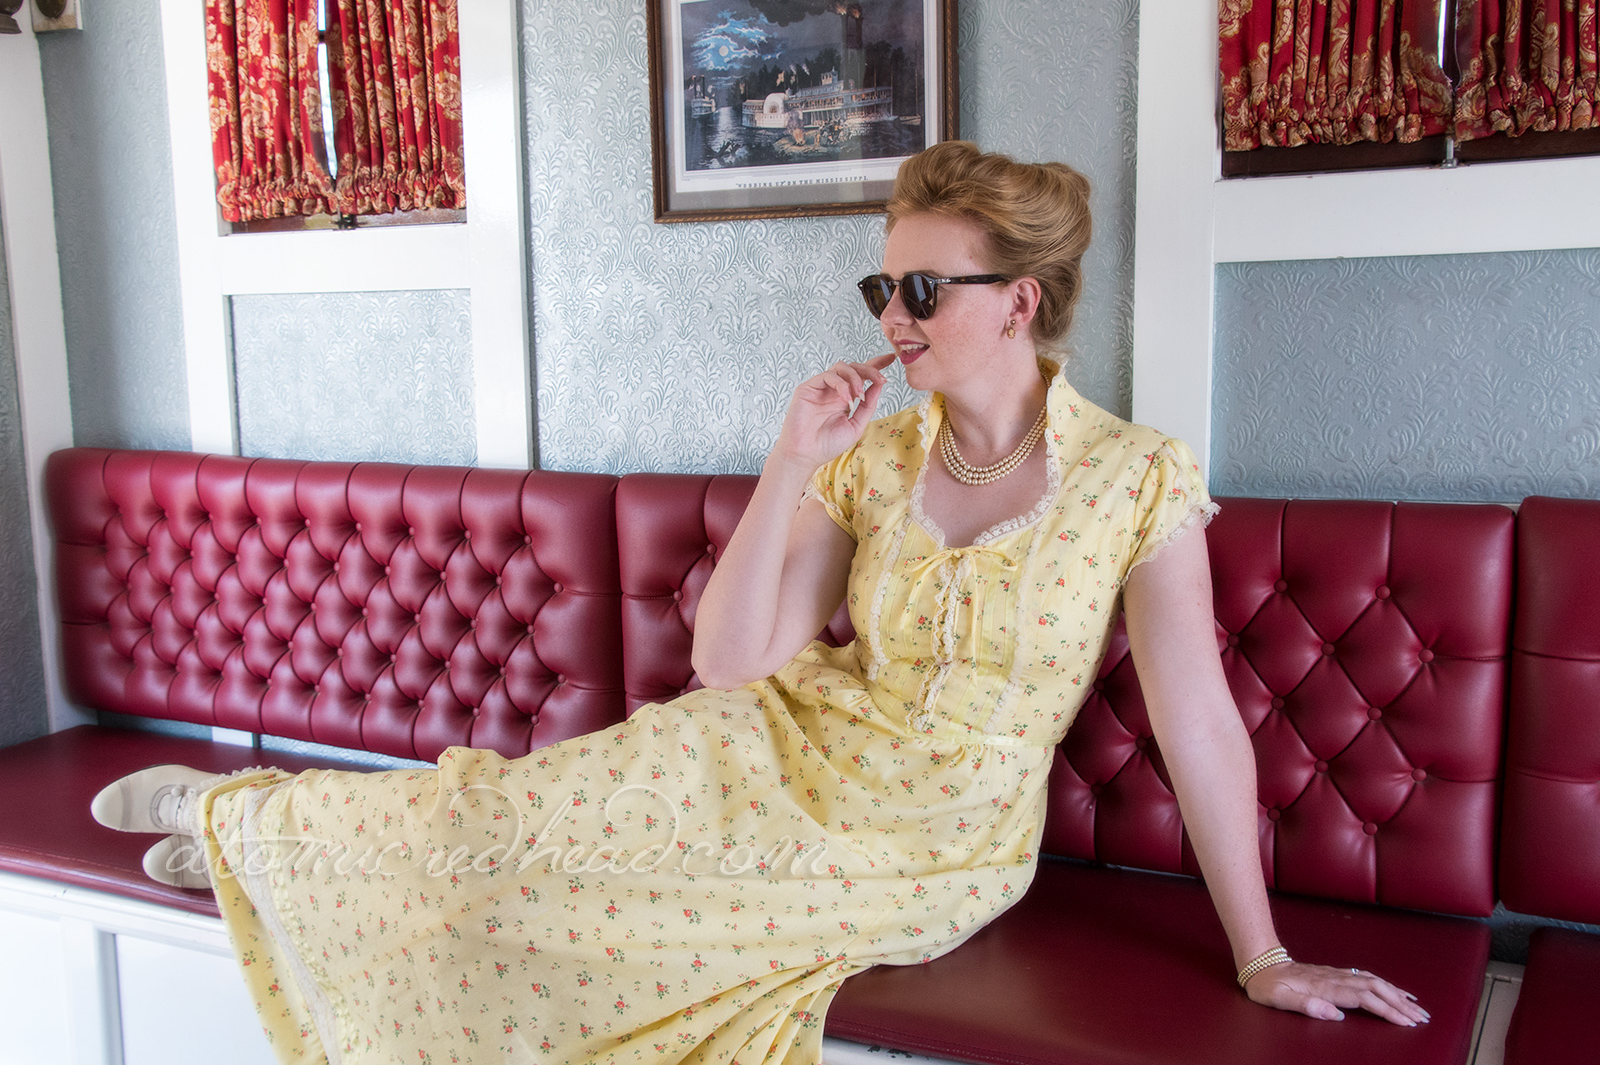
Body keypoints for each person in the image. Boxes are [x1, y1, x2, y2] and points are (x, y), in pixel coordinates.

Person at [90, 141, 1429, 1065]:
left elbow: (1199, 720)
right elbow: (736, 665)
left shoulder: (1137, 481)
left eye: (920, 288)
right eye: (880, 287)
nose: (892, 314)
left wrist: (1261, 955)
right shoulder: (879, 458)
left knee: (526, 905)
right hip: (768, 743)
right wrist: (792, 459)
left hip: (932, 834)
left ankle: (260, 841)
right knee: (492, 815)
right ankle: (258, 831)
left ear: (1017, 302)